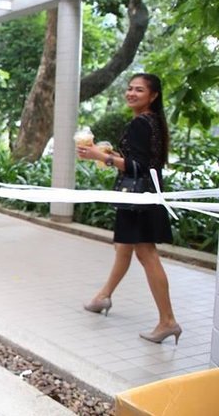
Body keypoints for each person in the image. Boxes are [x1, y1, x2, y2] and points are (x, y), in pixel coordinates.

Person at [77, 73, 180, 344]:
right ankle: (103, 296)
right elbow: (143, 162)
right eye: (130, 88)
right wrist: (110, 155)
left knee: (146, 254)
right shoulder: (153, 121)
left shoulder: (140, 123)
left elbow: (139, 167)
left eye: (139, 90)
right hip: (143, 195)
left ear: (153, 96)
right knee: (123, 248)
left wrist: (102, 157)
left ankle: (168, 321)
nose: (131, 93)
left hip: (138, 199)